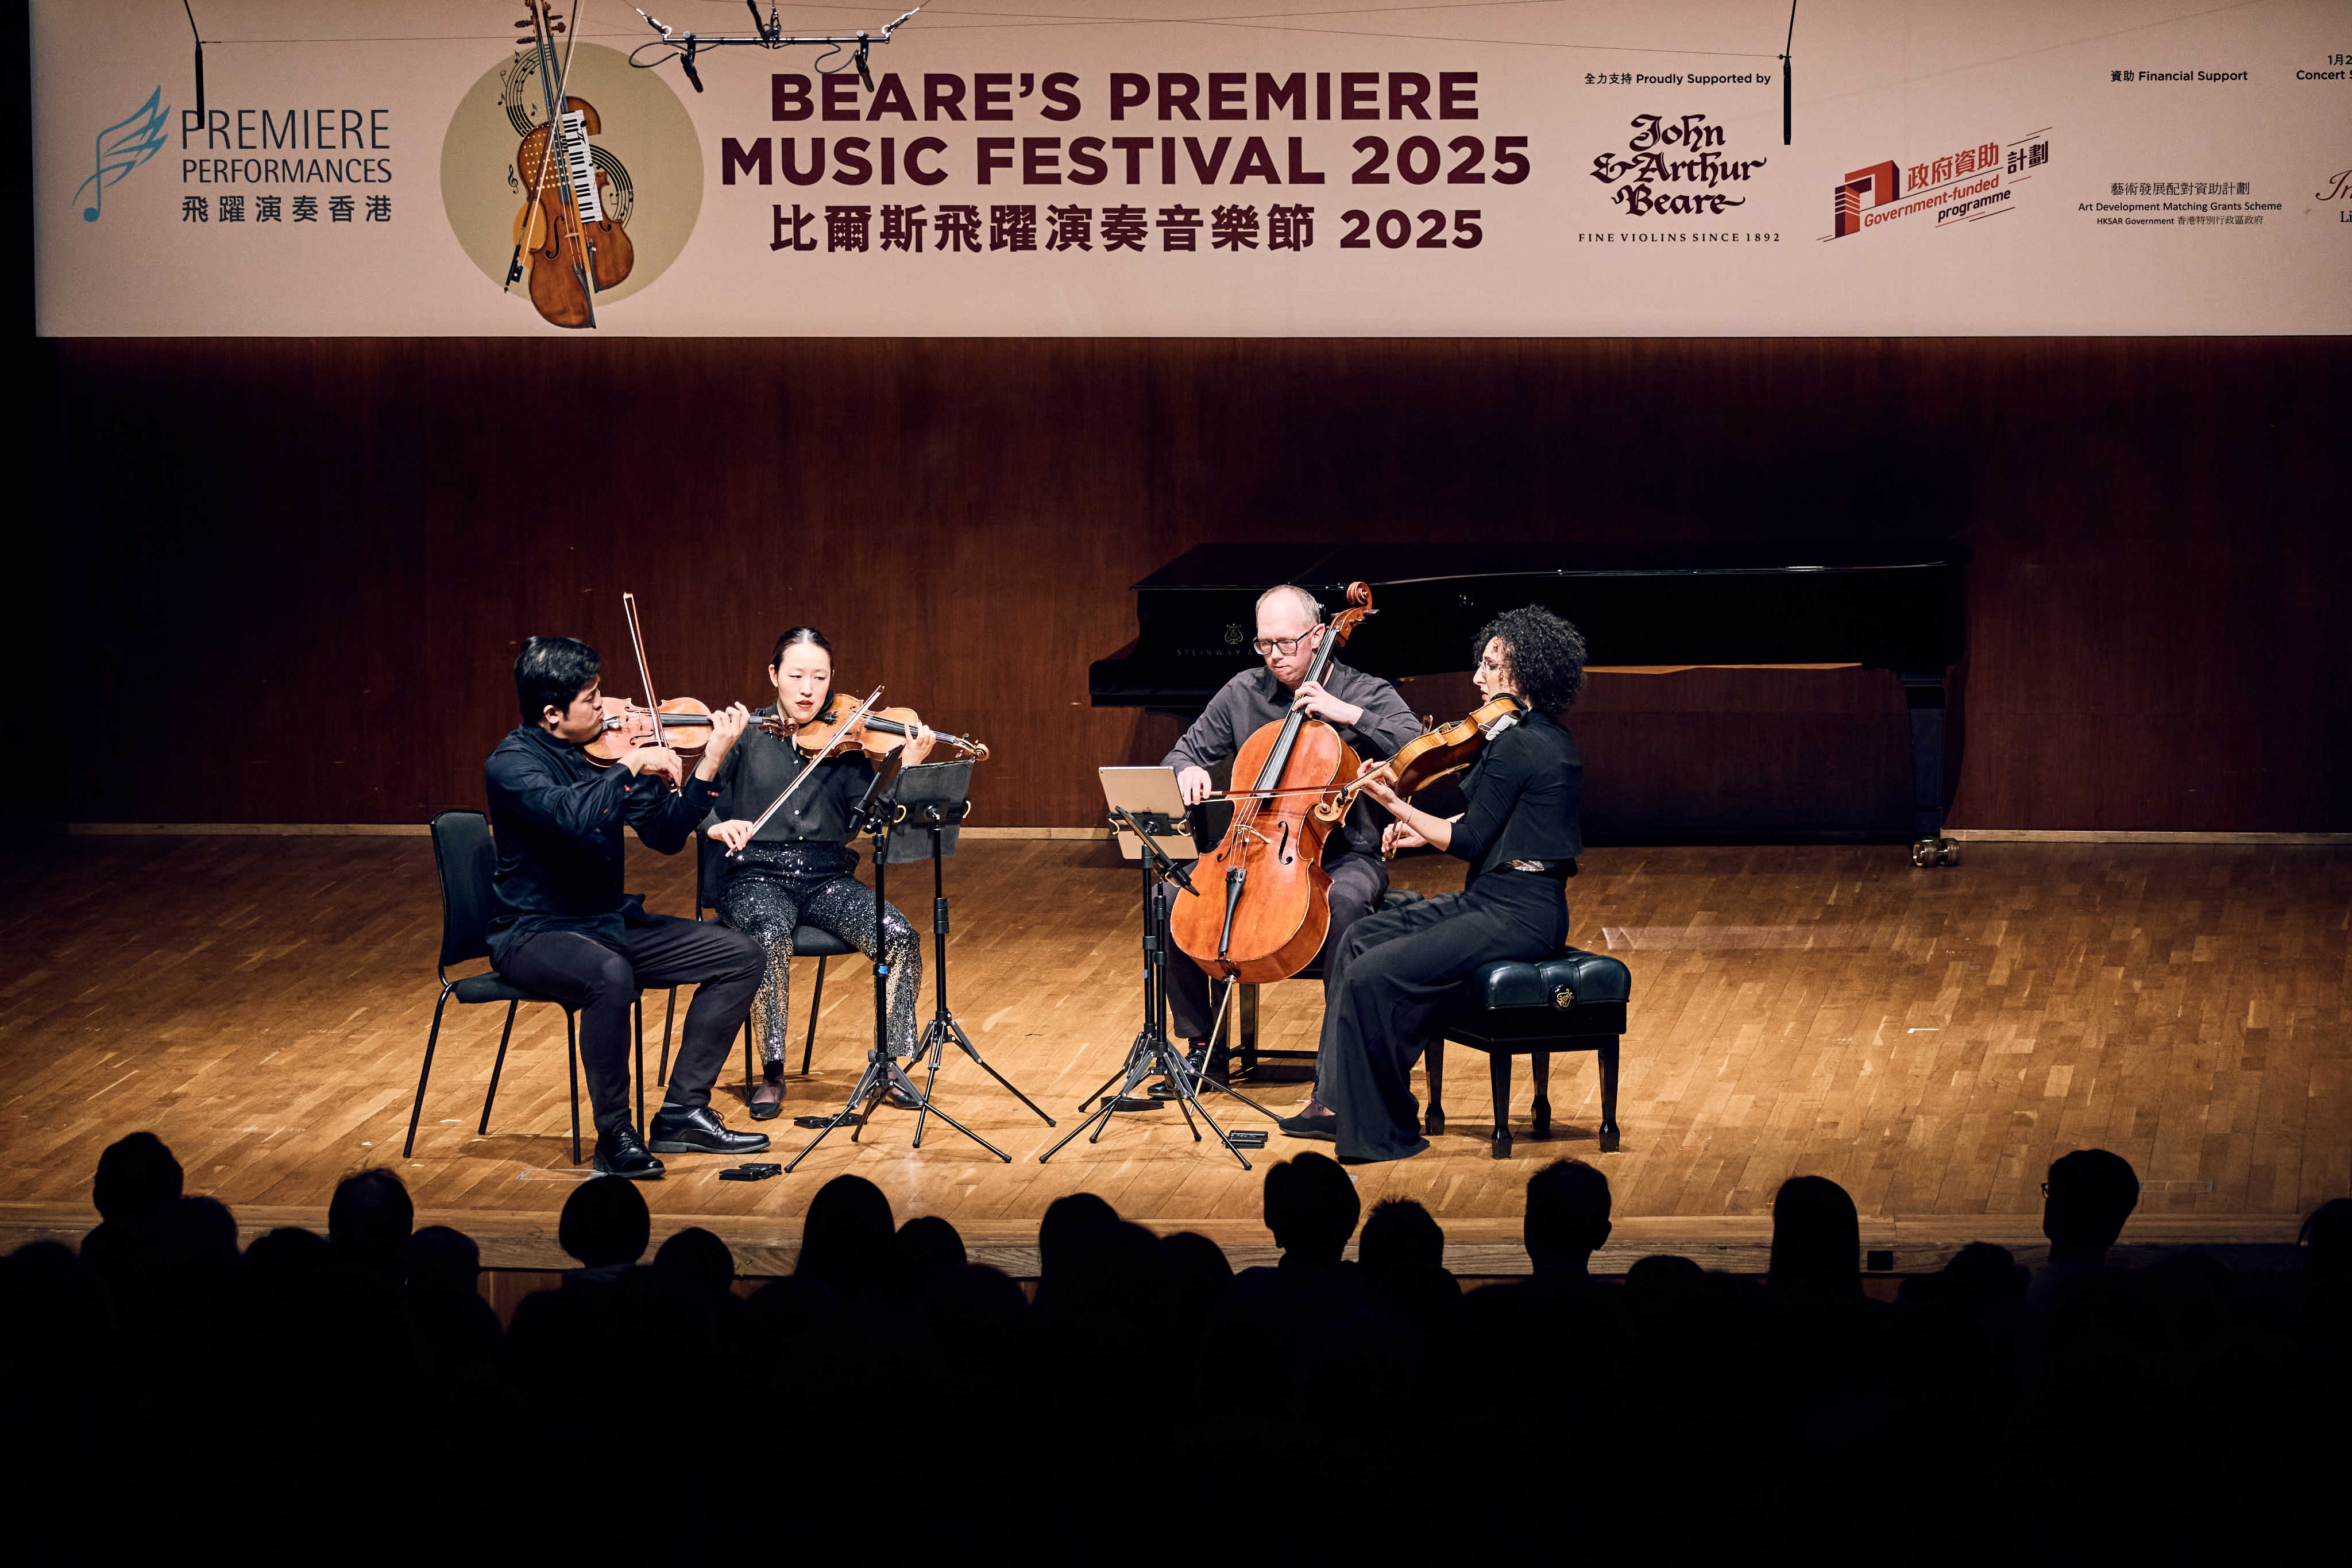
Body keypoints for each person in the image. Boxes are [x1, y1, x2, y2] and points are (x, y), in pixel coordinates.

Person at [1279, 606, 1586, 1161]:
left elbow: (1470, 844)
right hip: (1493, 899)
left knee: (1374, 972)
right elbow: (1495, 825)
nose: (1478, 677)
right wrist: (1423, 833)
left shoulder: (1523, 744)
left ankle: (1384, 1127)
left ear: (1525, 675)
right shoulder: (1531, 737)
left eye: (1491, 666)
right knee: (1359, 939)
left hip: (1520, 915)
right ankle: (1347, 1103)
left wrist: (1397, 804)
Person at [485, 635, 771, 1179]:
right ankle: (614, 1133)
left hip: (606, 923)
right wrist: (633, 764)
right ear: (551, 714)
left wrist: (709, 762)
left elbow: (663, 835)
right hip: (534, 933)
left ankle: (683, 1110)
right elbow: (570, 815)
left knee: (740, 954)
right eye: (592, 699)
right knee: (610, 977)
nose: (608, 708)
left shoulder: (608, 750)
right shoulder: (512, 766)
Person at [1157, 584, 1420, 1092]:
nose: (1274, 656)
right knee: (1171, 896)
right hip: (1251, 847)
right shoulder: (1242, 693)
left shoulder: (1365, 691)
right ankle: (1200, 1049)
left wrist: (1348, 715)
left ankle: (1340, 1061)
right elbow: (1180, 754)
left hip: (1343, 855)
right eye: (1264, 645)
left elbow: (1417, 746)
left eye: (1286, 643)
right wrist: (1186, 771)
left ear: (1319, 635)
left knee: (1343, 904)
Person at [703, 628, 935, 1118]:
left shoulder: (846, 739)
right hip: (754, 876)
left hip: (827, 877)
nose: (808, 689)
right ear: (774, 676)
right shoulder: (742, 733)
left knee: (899, 935)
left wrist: (906, 769)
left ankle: (891, 1064)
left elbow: (870, 819)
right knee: (769, 933)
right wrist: (715, 827)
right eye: (796, 676)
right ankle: (770, 1072)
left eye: (820, 677)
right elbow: (694, 802)